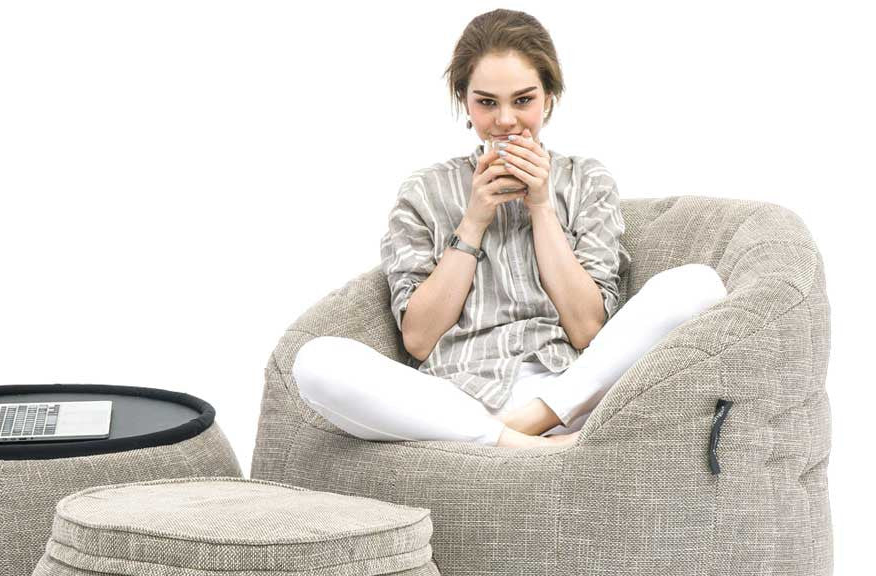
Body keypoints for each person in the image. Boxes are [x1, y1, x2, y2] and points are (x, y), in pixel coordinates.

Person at [293, 10, 726, 449]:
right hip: (454, 399)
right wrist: (474, 220)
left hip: (570, 390)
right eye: (487, 102)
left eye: (523, 101)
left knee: (699, 285)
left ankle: (522, 429)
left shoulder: (586, 182)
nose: (505, 120)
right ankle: (528, 445)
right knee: (315, 362)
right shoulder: (424, 192)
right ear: (464, 100)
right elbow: (419, 341)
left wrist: (541, 206)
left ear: (548, 98)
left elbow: (587, 330)